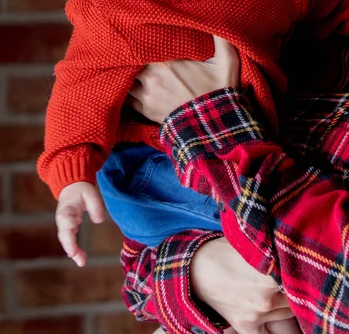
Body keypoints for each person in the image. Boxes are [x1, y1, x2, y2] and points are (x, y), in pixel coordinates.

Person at [36, 0, 349, 331]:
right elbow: (78, 88)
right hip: (149, 174)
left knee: (265, 254)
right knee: (260, 244)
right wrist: (70, 176)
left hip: (239, 162)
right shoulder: (112, 10)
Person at [122, 36, 349, 333]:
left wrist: (208, 120)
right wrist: (196, 273)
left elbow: (337, 294)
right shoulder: (314, 51)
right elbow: (138, 278)